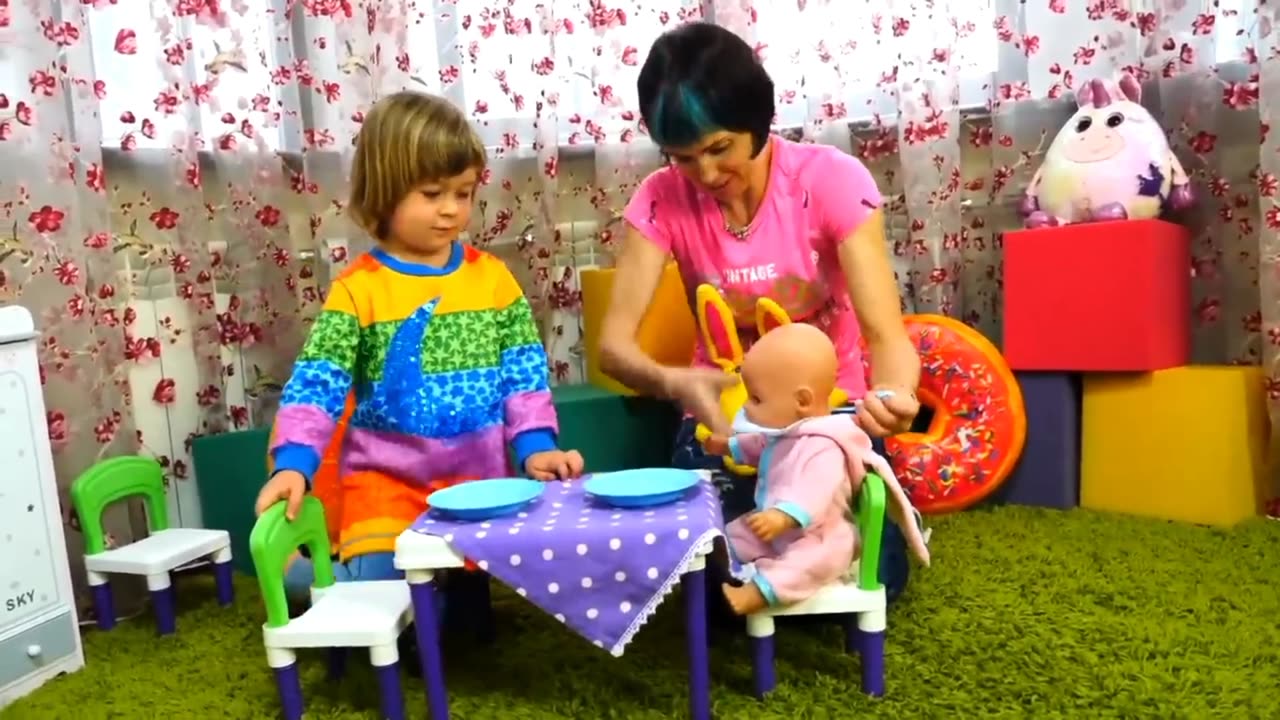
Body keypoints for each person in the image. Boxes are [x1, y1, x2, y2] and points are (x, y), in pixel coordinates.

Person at [597, 22, 922, 604]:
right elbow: (614, 347)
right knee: (709, 582)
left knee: (878, 576)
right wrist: (677, 382)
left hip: (828, 412)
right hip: (726, 418)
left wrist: (894, 396)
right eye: (682, 157)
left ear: (757, 119)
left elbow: (885, 334)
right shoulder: (659, 197)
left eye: (719, 148)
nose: (705, 175)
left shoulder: (830, 180)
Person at [255, 91, 585, 596]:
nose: (451, 210)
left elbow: (524, 377)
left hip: (478, 488)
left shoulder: (493, 280)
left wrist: (535, 446)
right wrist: (293, 465)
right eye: (432, 194)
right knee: (373, 600)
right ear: (385, 192)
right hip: (385, 490)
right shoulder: (357, 291)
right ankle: (301, 577)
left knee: (460, 630)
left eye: (464, 193)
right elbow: (316, 386)